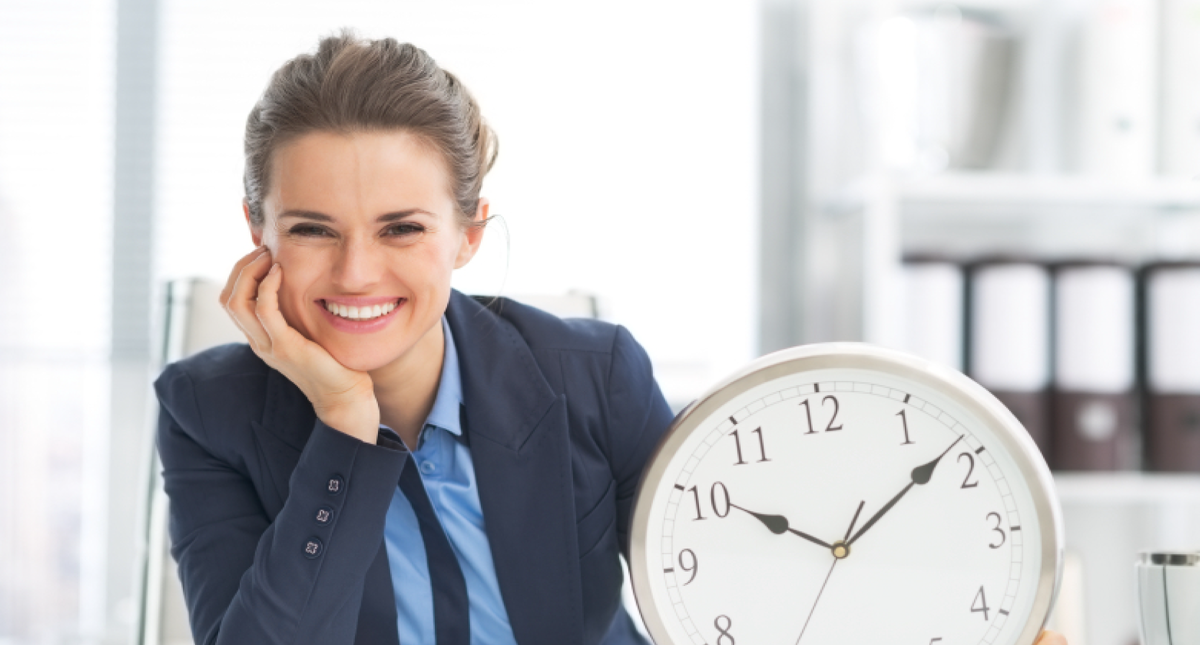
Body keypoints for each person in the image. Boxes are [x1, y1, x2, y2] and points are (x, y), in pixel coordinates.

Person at [154, 31, 1071, 645]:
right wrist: (345, 426)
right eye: (314, 229)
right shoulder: (206, 410)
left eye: (402, 229)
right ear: (258, 231)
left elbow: (751, 578)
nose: (357, 273)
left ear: (468, 234)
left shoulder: (592, 378)